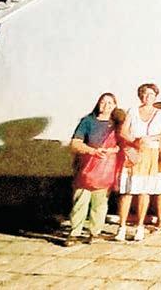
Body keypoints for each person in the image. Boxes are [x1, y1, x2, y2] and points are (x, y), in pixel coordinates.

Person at [115, 83, 161, 242]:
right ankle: (122, 227)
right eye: (145, 94)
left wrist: (151, 138)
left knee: (144, 191)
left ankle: (140, 227)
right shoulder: (132, 111)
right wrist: (135, 141)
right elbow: (123, 131)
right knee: (128, 191)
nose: (148, 97)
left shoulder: (160, 113)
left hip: (151, 153)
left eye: (151, 94)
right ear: (140, 96)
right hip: (134, 152)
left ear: (155, 97)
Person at [65, 93, 120, 246]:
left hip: (106, 168)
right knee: (81, 201)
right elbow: (75, 143)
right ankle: (75, 233)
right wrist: (92, 151)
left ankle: (95, 232)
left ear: (115, 106)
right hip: (87, 167)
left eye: (110, 103)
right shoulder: (88, 121)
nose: (106, 106)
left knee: (100, 203)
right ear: (98, 104)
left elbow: (123, 144)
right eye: (103, 102)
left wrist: (113, 150)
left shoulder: (117, 124)